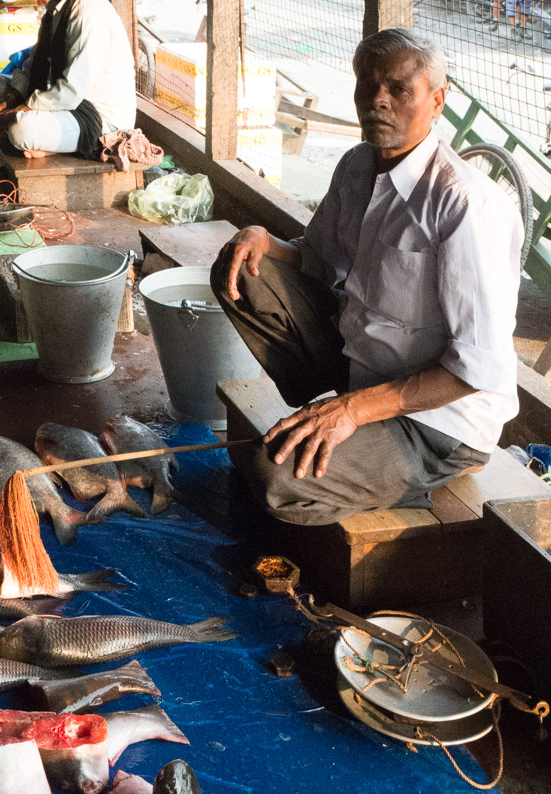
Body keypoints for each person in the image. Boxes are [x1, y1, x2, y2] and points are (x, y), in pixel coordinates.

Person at [209, 28, 521, 529]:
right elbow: (317, 259)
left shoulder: (463, 204)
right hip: (364, 366)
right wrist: (262, 238)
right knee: (244, 269)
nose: (378, 100)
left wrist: (353, 411)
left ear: (436, 101)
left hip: (437, 421)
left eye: (399, 89)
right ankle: (327, 407)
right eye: (367, 86)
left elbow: (478, 369)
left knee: (276, 478)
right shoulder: (357, 166)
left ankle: (414, 476)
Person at [0, 0, 136, 160]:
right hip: (70, 106)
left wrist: (21, 110)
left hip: (99, 118)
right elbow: (33, 64)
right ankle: (42, 143)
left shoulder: (88, 13)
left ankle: (53, 143)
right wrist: (12, 97)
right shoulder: (57, 8)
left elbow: (71, 91)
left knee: (21, 129)